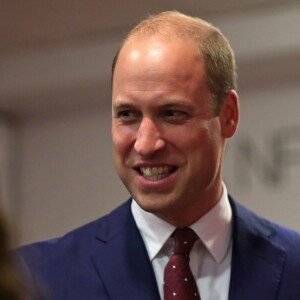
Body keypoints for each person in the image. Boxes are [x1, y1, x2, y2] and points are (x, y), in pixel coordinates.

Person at [16, 11, 300, 300]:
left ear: (228, 115)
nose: (146, 144)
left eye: (171, 113)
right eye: (128, 115)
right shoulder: (32, 279)